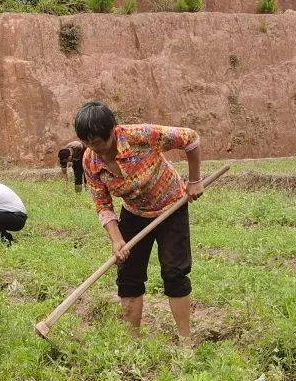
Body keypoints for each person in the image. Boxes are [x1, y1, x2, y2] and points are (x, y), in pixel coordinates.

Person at [75, 102, 203, 342]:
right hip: (134, 212)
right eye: (88, 143)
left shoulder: (141, 136)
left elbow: (191, 138)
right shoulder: (90, 161)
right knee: (128, 275)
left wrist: (195, 180)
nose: (95, 150)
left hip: (170, 206)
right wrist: (117, 240)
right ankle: (132, 342)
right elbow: (102, 204)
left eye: (99, 143)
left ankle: (186, 342)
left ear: (112, 131)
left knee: (174, 272)